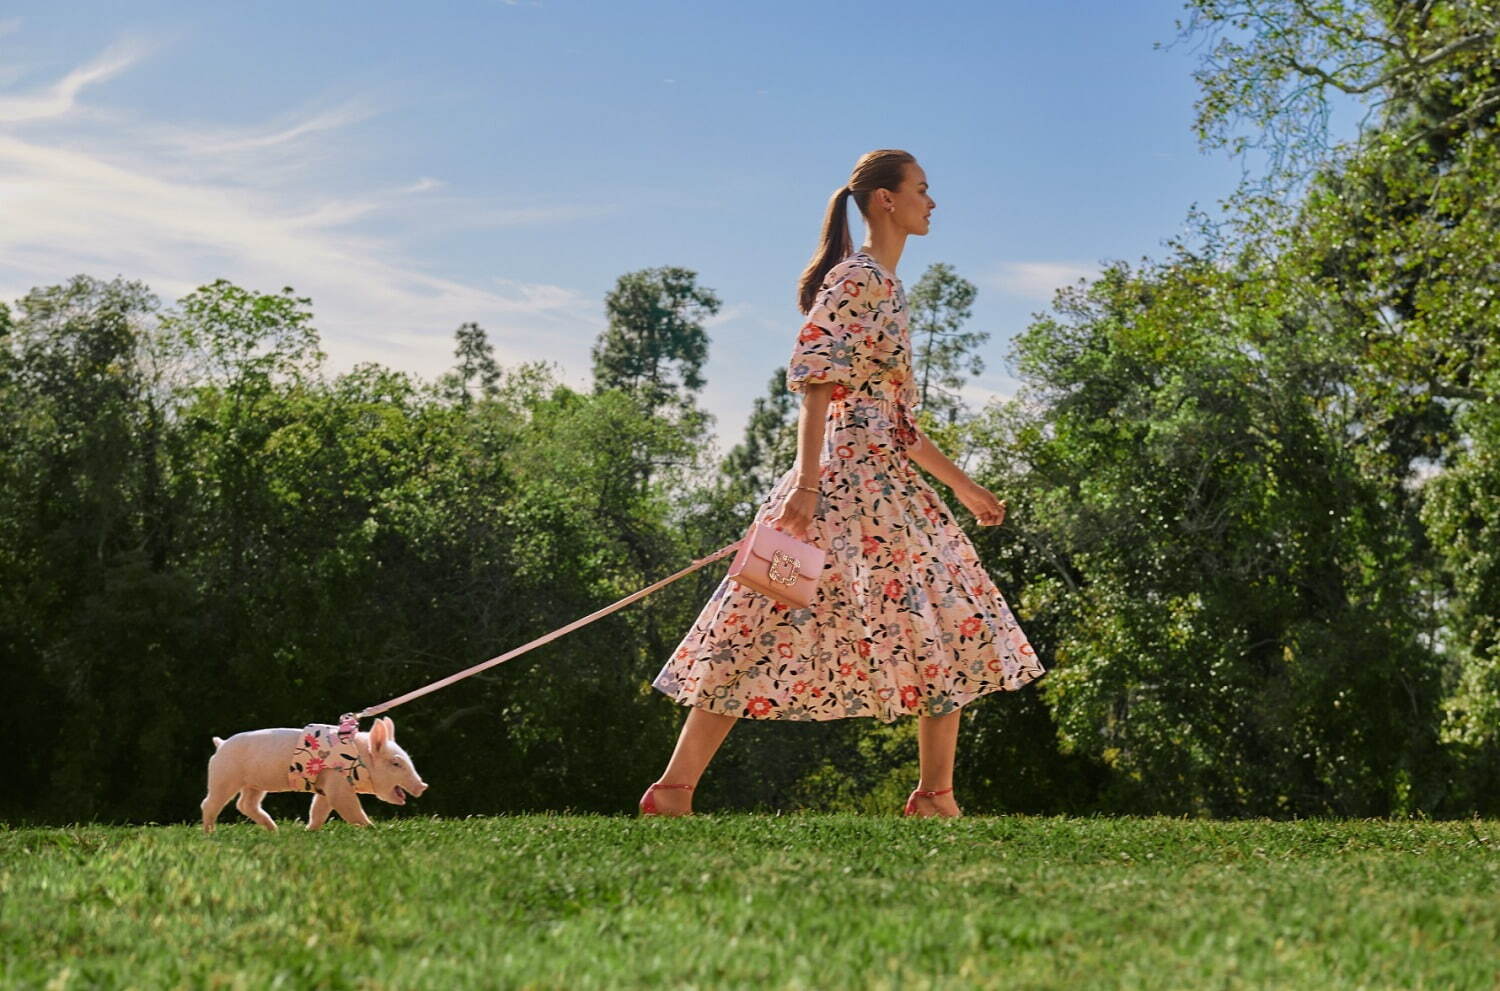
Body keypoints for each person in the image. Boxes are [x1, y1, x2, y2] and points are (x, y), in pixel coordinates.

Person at [643, 149, 1047, 818]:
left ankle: (934, 795)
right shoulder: (858, 278)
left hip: (887, 483)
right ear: (885, 199)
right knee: (760, 625)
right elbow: (817, 381)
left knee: (945, 619)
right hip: (838, 484)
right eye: (922, 189)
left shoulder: (886, 286)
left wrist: (967, 488)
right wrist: (806, 487)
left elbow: (900, 425)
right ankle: (675, 788)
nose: (932, 201)